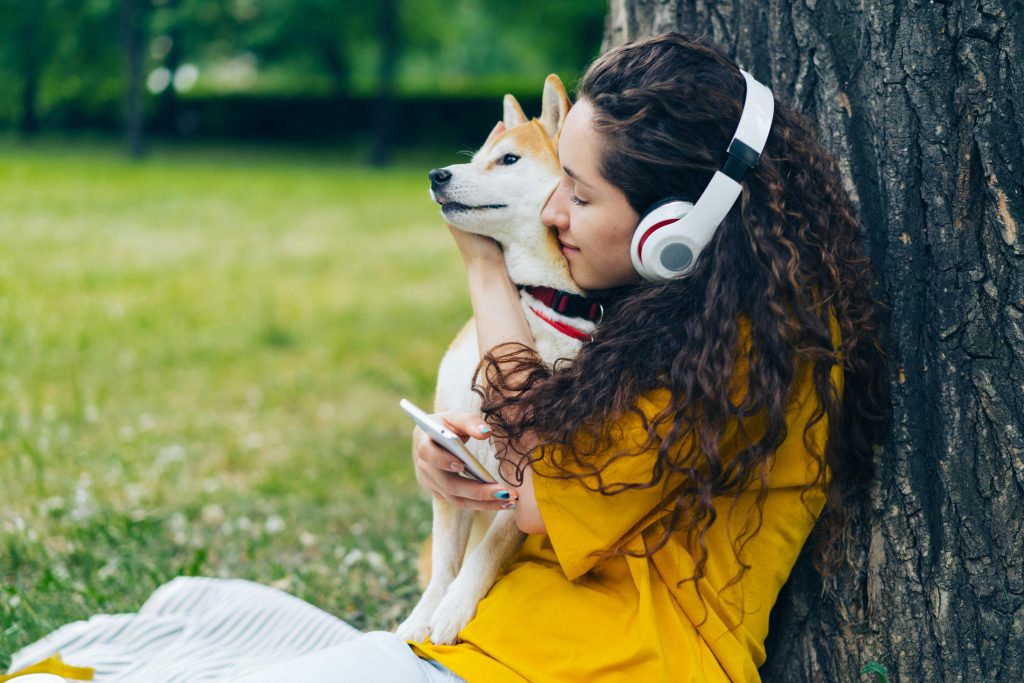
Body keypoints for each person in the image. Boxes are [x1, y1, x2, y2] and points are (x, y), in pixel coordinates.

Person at [6, 31, 885, 683]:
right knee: (193, 613)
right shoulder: (674, 311)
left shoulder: (749, 353)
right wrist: (456, 460)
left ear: (674, 228)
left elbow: (543, 495)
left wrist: (485, 275)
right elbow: (541, 468)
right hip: (501, 636)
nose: (553, 216)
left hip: (605, 662)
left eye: (579, 195)